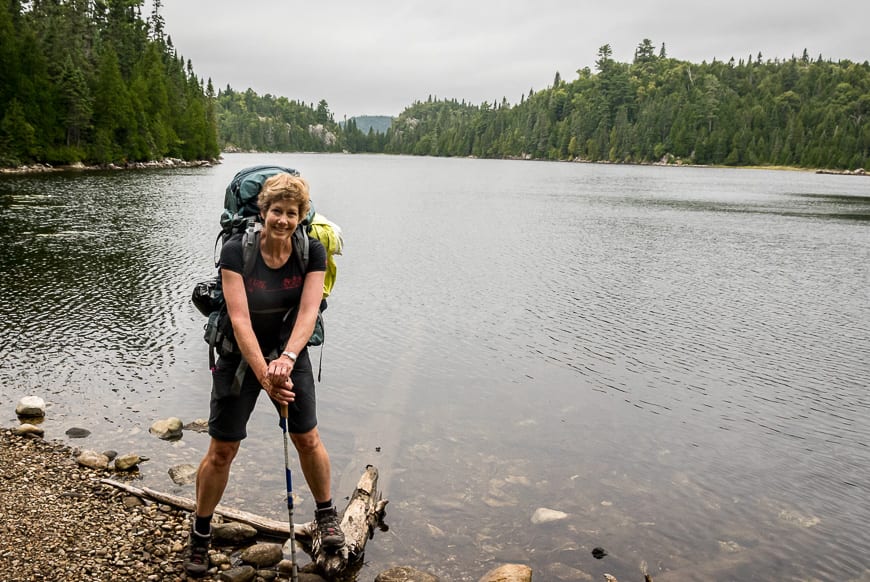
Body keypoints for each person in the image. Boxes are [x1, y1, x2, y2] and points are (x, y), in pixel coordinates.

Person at [185, 173, 345, 576]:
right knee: (223, 449)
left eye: (292, 213)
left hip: (288, 351)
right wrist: (265, 373)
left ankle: (326, 515)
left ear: (302, 215)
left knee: (307, 437)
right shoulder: (238, 251)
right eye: (277, 211)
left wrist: (287, 360)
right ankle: (201, 534)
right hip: (240, 356)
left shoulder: (312, 252)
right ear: (263, 211)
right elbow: (239, 320)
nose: (284, 220)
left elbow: (309, 312)